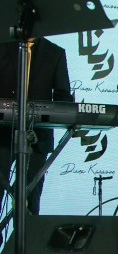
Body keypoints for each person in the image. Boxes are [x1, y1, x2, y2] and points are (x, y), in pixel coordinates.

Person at [0, 37, 73, 219]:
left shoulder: (55, 52)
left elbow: (62, 94)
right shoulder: (3, 45)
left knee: (30, 197)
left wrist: (69, 113)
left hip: (38, 136)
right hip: (2, 135)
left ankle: (28, 236)